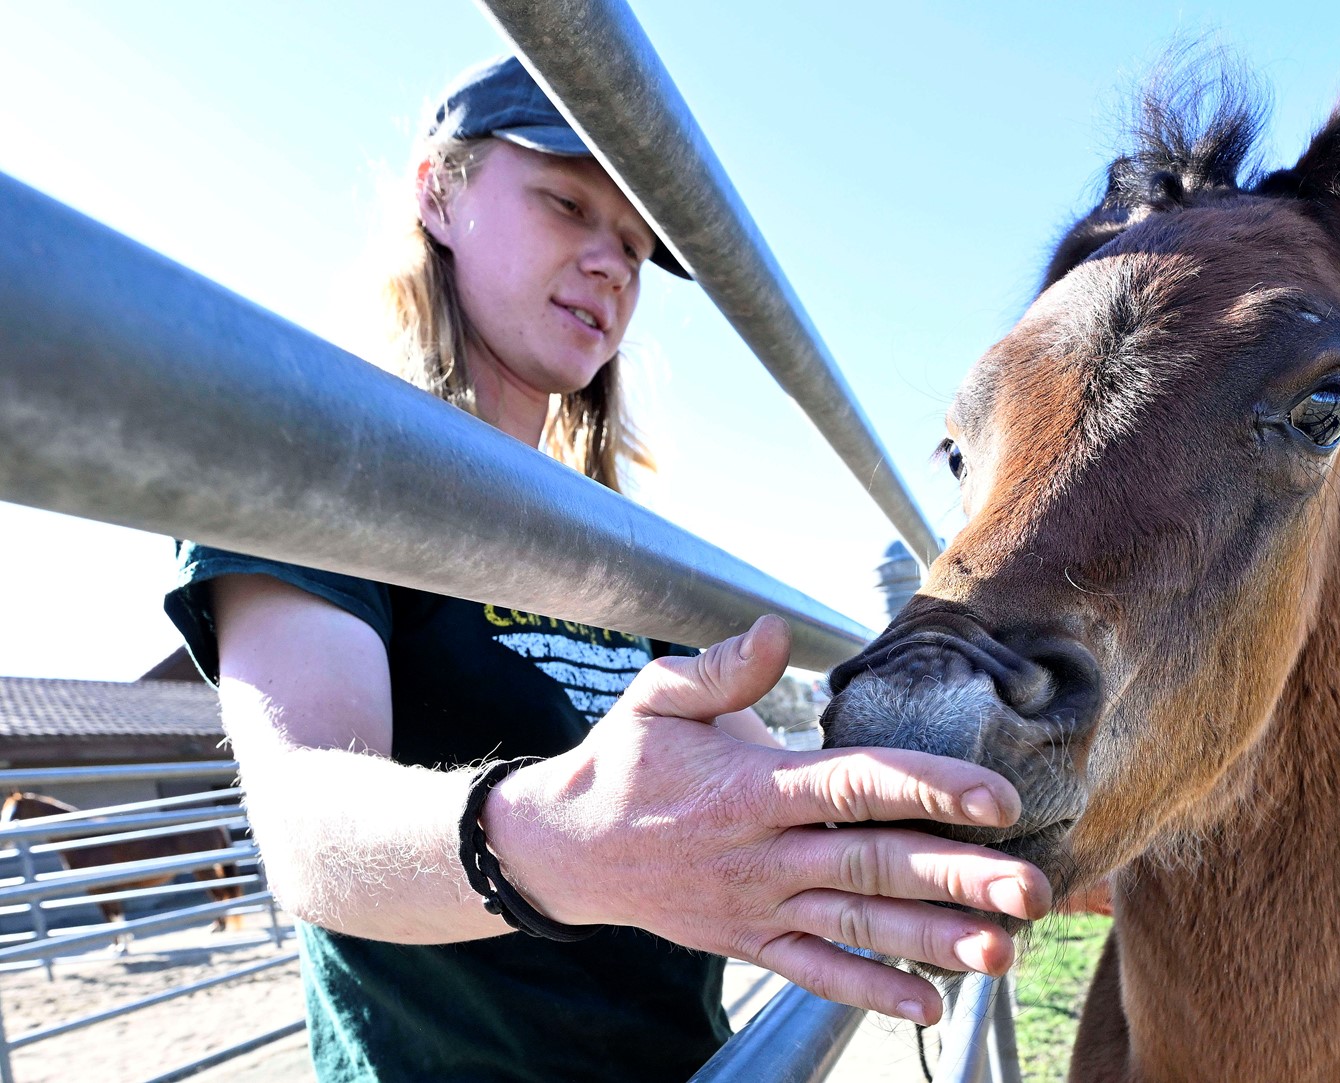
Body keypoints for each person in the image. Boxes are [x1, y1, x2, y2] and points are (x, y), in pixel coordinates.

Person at [164, 56, 1051, 1083]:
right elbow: (308, 831)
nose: (609, 265)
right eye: (564, 202)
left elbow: (754, 786)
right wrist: (562, 844)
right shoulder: (333, 456)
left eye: (633, 244)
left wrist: (954, 801)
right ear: (437, 194)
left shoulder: (618, 550)